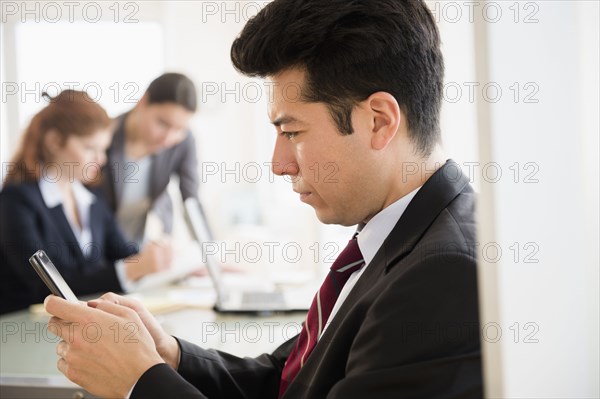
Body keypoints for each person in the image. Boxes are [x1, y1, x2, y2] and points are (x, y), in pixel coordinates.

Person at [44, 0, 483, 397]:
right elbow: (285, 380)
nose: (279, 164)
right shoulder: (392, 239)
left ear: (378, 121)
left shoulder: (444, 272)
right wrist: (169, 356)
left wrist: (143, 382)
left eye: (292, 132)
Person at [0, 90, 172, 315]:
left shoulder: (91, 198)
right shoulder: (16, 201)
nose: (101, 160)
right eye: (90, 148)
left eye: (103, 149)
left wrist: (152, 257)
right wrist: (131, 269)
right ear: (54, 141)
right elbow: (46, 287)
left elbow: (122, 253)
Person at [100, 72, 203, 247]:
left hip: (144, 247)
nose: (168, 138)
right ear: (143, 102)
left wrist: (209, 255)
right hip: (102, 250)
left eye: (179, 129)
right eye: (163, 123)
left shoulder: (184, 141)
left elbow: (191, 201)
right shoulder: (104, 136)